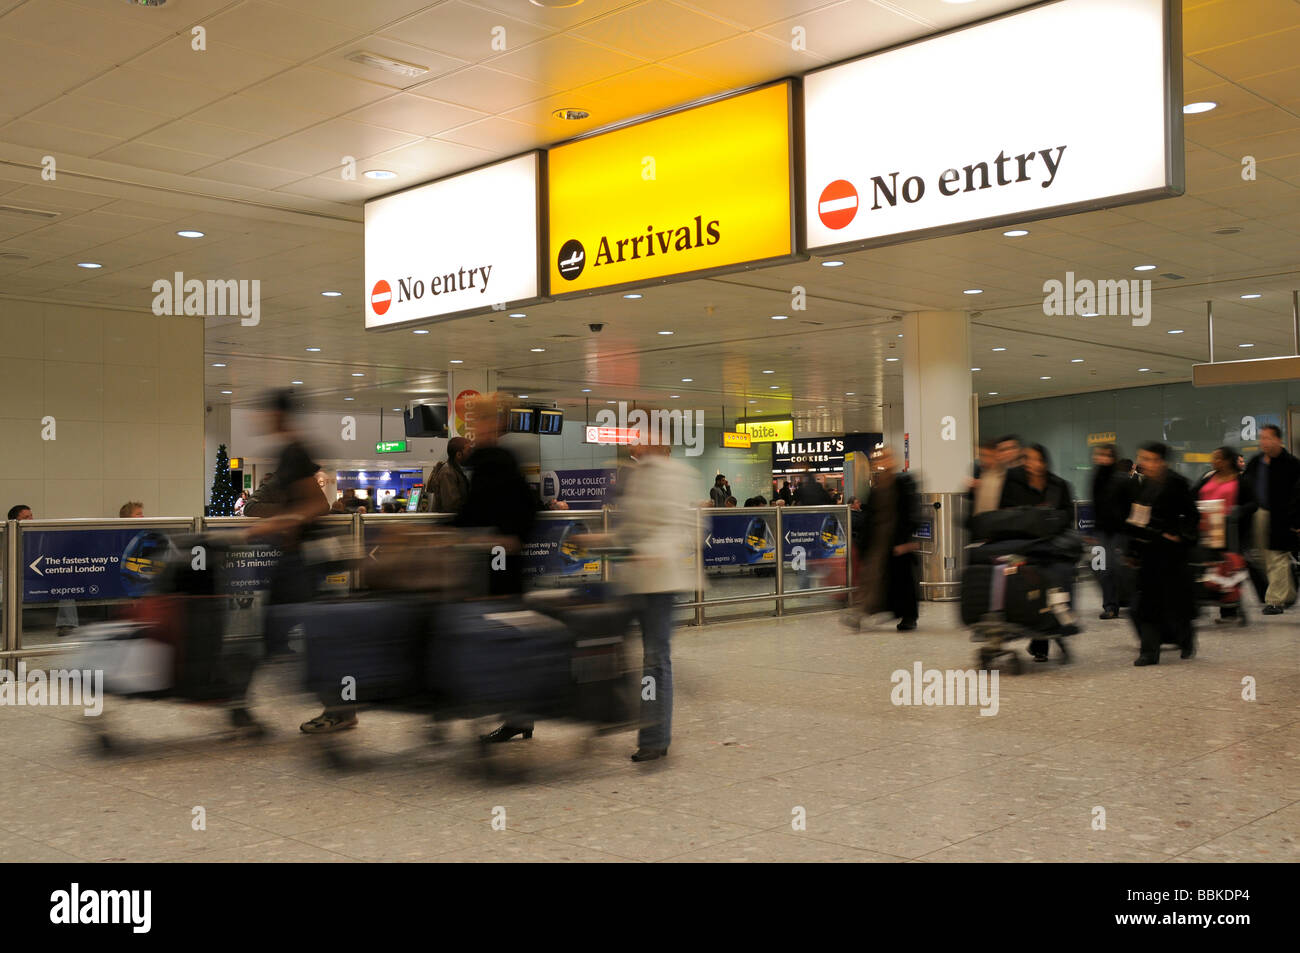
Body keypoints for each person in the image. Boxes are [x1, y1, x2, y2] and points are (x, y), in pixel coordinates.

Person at [598, 440, 697, 762]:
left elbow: (682, 526)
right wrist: (602, 541)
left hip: (661, 581)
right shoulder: (635, 475)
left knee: (655, 658)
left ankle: (654, 738)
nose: (637, 445)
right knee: (610, 645)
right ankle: (608, 714)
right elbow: (629, 530)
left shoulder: (677, 475)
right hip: (633, 580)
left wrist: (656, 551)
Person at [460, 395, 542, 745]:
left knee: (502, 640)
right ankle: (518, 715)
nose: (472, 429)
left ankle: (516, 715)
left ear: (491, 423)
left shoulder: (496, 461)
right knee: (505, 640)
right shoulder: (496, 460)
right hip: (501, 565)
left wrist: (511, 540)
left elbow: (474, 514)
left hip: (500, 569)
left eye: (476, 421)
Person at [1126, 441, 1199, 665]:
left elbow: (1192, 516)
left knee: (1175, 604)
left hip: (1171, 554)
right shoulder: (1143, 485)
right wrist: (1132, 549)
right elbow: (1137, 518)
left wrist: (1179, 535)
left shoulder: (1177, 484)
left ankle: (1185, 640)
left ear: (1161, 462)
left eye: (1148, 459)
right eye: (1142, 458)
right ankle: (1149, 651)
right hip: (1149, 552)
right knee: (1146, 604)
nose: (1143, 463)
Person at [1001, 444, 1076, 661]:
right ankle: (1047, 635)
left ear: (1044, 461)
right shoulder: (1015, 485)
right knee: (1033, 589)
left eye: (1037, 459)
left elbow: (1067, 515)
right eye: (1029, 459)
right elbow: (1006, 514)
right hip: (1024, 547)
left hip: (1052, 547)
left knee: (1056, 584)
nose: (1033, 464)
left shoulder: (1058, 485)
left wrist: (1048, 519)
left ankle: (1046, 636)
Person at [851, 446, 920, 631]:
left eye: (887, 457)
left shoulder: (903, 483)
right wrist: (864, 543)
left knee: (902, 580)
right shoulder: (878, 487)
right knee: (874, 577)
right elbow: (870, 516)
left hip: (897, 540)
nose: (884, 461)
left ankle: (908, 616)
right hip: (879, 541)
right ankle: (864, 612)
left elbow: (911, 512)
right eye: (882, 458)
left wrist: (905, 539)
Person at [1241, 424, 1300, 614]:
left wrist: (1295, 520)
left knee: (1277, 557)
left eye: (1267, 438)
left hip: (1282, 517)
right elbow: (1245, 486)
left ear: (1278, 440)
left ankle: (1275, 600)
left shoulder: (1291, 464)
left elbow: (1297, 495)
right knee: (1263, 558)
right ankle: (1288, 593)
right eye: (1262, 438)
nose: (1263, 442)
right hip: (1258, 515)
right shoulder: (1256, 462)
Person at [1195, 445, 1253, 620]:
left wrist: (1238, 511)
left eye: (1217, 458)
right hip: (1207, 529)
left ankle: (1230, 607)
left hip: (1231, 531)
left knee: (1229, 567)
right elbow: (1193, 495)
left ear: (1228, 461)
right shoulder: (1208, 477)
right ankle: (1205, 601)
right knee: (1207, 567)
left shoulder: (1242, 480)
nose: (1214, 461)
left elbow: (1253, 503)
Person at [1089, 443, 1129, 620]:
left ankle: (1119, 602)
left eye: (1107, 455)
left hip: (1119, 531)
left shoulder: (1121, 479)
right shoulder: (1096, 477)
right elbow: (1094, 505)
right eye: (1100, 455)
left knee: (1116, 567)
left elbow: (1127, 506)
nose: (1103, 458)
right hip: (1101, 531)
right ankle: (1110, 605)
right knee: (1102, 568)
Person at [422, 437, 471, 513]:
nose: (470, 454)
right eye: (468, 451)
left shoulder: (455, 470)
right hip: (446, 522)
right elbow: (451, 505)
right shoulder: (447, 472)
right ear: (458, 454)